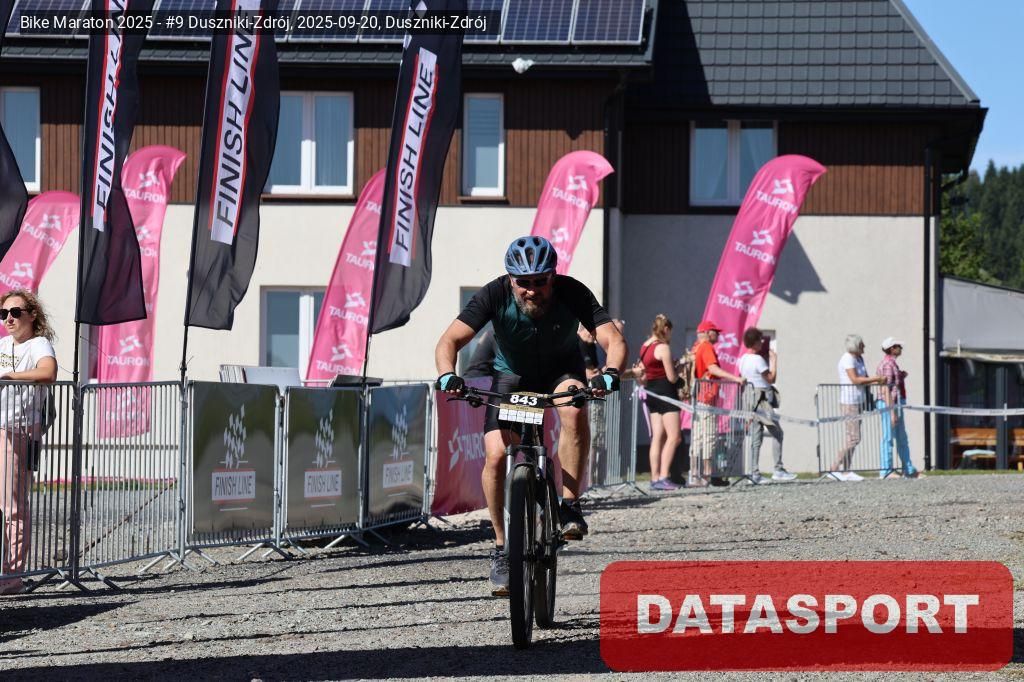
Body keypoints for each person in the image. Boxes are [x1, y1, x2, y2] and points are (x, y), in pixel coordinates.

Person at [434, 236, 626, 596]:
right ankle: (501, 548)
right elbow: (449, 341)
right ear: (511, 279)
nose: (532, 290)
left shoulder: (572, 292)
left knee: (573, 410)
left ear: (553, 276)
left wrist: (611, 371)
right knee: (495, 455)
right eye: (524, 282)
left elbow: (612, 339)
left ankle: (569, 505)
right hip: (513, 376)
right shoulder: (494, 294)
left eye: (541, 281)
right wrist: (448, 374)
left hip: (561, 371)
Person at [0, 289, 57, 596]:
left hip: (18, 429)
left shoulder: (38, 344)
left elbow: (48, 372)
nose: (9, 318)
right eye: (4, 314)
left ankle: (11, 577)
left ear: (32, 315)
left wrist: (11, 377)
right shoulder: (2, 344)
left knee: (13, 505)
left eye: (15, 312)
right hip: (2, 426)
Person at [737, 327, 795, 483]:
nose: (762, 343)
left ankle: (754, 472)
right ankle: (778, 469)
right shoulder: (758, 360)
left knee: (756, 436)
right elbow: (771, 379)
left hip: (749, 398)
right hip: (761, 399)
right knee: (777, 433)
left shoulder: (742, 359)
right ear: (755, 342)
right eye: (760, 340)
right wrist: (774, 361)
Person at [690, 320, 744, 486]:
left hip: (699, 398)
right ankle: (707, 475)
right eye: (715, 331)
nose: (718, 335)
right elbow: (712, 369)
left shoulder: (696, 347)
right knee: (709, 436)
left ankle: (694, 474)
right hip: (707, 398)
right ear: (708, 332)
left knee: (697, 437)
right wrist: (735, 378)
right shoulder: (706, 347)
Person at [637, 315, 682, 491]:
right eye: (670, 332)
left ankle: (655, 477)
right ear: (666, 329)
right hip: (666, 394)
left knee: (657, 437)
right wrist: (679, 369)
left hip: (652, 393)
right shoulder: (663, 348)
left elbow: (645, 372)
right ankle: (664, 476)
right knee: (674, 436)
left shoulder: (645, 346)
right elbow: (671, 377)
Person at [829, 334, 883, 481]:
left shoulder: (859, 359)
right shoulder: (847, 358)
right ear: (856, 345)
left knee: (852, 438)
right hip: (849, 401)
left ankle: (846, 470)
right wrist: (876, 378)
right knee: (854, 438)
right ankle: (833, 468)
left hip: (859, 401)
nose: (864, 346)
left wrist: (876, 381)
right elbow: (855, 379)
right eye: (861, 344)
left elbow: (865, 378)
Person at [876, 337, 918, 479]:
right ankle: (886, 470)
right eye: (898, 346)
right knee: (888, 437)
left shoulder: (891, 363)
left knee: (901, 437)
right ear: (891, 348)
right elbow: (885, 389)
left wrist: (901, 376)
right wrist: (892, 411)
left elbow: (891, 384)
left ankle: (908, 469)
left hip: (894, 403)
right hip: (890, 404)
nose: (901, 348)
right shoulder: (888, 364)